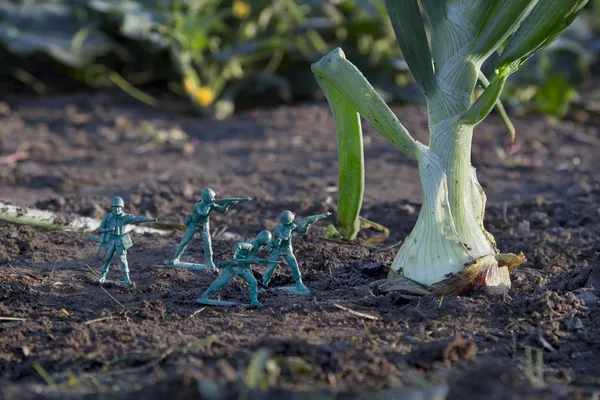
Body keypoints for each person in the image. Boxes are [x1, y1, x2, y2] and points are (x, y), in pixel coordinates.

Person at [199, 230, 272, 307]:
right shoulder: (252, 245)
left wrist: (253, 269)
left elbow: (249, 260)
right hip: (234, 266)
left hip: (243, 268)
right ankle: (205, 295)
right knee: (221, 281)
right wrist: (233, 256)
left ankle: (254, 300)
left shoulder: (257, 246)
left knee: (253, 282)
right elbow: (239, 245)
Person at [95, 196, 157, 286]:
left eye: (118, 207)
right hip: (111, 240)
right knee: (106, 259)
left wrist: (149, 219)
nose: (116, 209)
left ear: (121, 207)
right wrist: (108, 229)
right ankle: (102, 276)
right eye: (115, 207)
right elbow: (101, 228)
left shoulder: (125, 217)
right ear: (112, 207)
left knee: (123, 261)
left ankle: (127, 279)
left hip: (120, 241)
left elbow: (137, 219)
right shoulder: (108, 217)